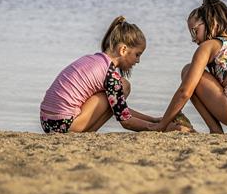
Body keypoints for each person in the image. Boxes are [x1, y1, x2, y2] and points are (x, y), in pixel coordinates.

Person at [151, 0, 227, 134]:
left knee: (188, 72)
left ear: (213, 23)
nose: (194, 39)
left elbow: (184, 92)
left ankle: (215, 130)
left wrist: (162, 125)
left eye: (194, 31)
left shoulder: (209, 46)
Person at [40, 16, 171, 133]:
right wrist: (160, 127)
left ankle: (85, 133)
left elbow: (120, 109)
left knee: (117, 92)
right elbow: (126, 121)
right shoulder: (110, 76)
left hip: (47, 122)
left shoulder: (94, 59)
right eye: (137, 54)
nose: (138, 61)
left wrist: (154, 120)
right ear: (123, 50)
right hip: (63, 124)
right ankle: (85, 133)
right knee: (123, 86)